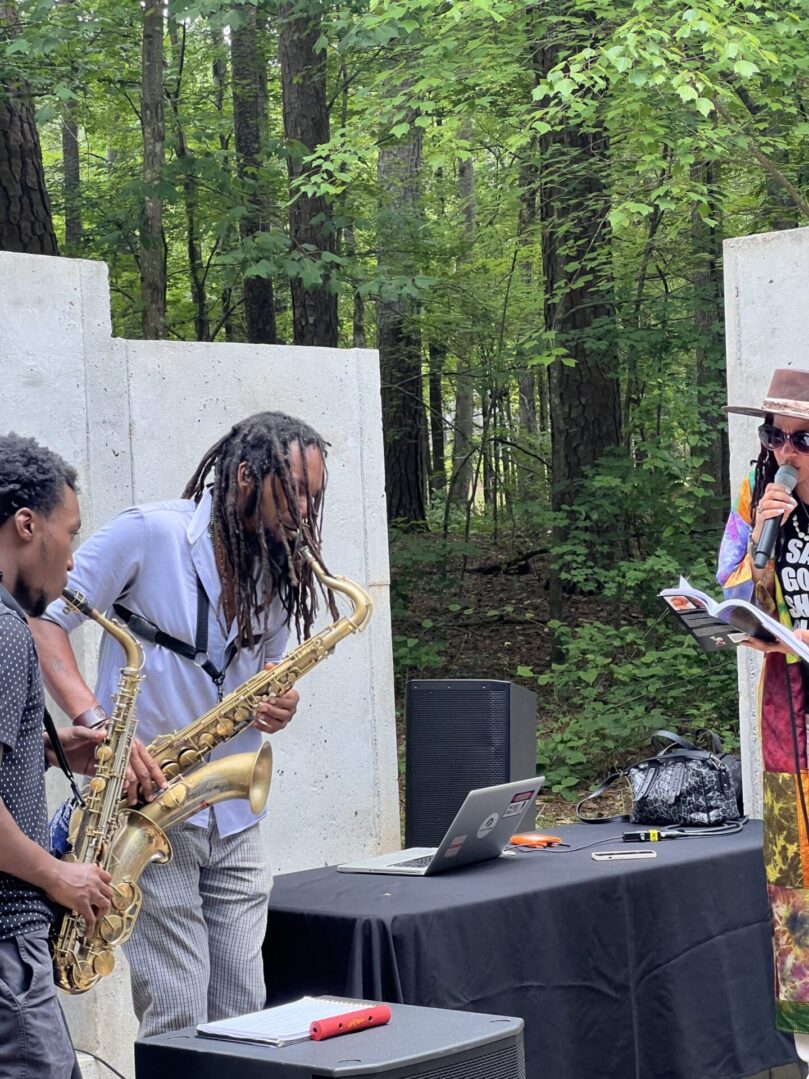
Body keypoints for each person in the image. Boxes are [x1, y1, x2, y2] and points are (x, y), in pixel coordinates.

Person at [31, 411, 331, 1039]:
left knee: (248, 1007)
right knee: (176, 1010)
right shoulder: (148, 534)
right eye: (296, 490)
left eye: (315, 495)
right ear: (247, 476)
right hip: (148, 804)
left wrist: (279, 703)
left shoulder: (280, 563)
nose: (306, 510)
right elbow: (44, 621)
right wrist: (98, 725)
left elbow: (264, 673)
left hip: (234, 808)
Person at [0, 433, 113, 1079]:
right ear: (26, 523)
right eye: (69, 532)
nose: (71, 559)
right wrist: (56, 874)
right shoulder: (7, 630)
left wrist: (41, 749)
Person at [719, 368, 809, 1060]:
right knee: (792, 867)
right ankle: (806, 1030)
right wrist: (760, 541)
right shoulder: (757, 496)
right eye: (772, 433)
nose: (783, 448)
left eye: (799, 437)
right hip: (789, 704)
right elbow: (732, 593)